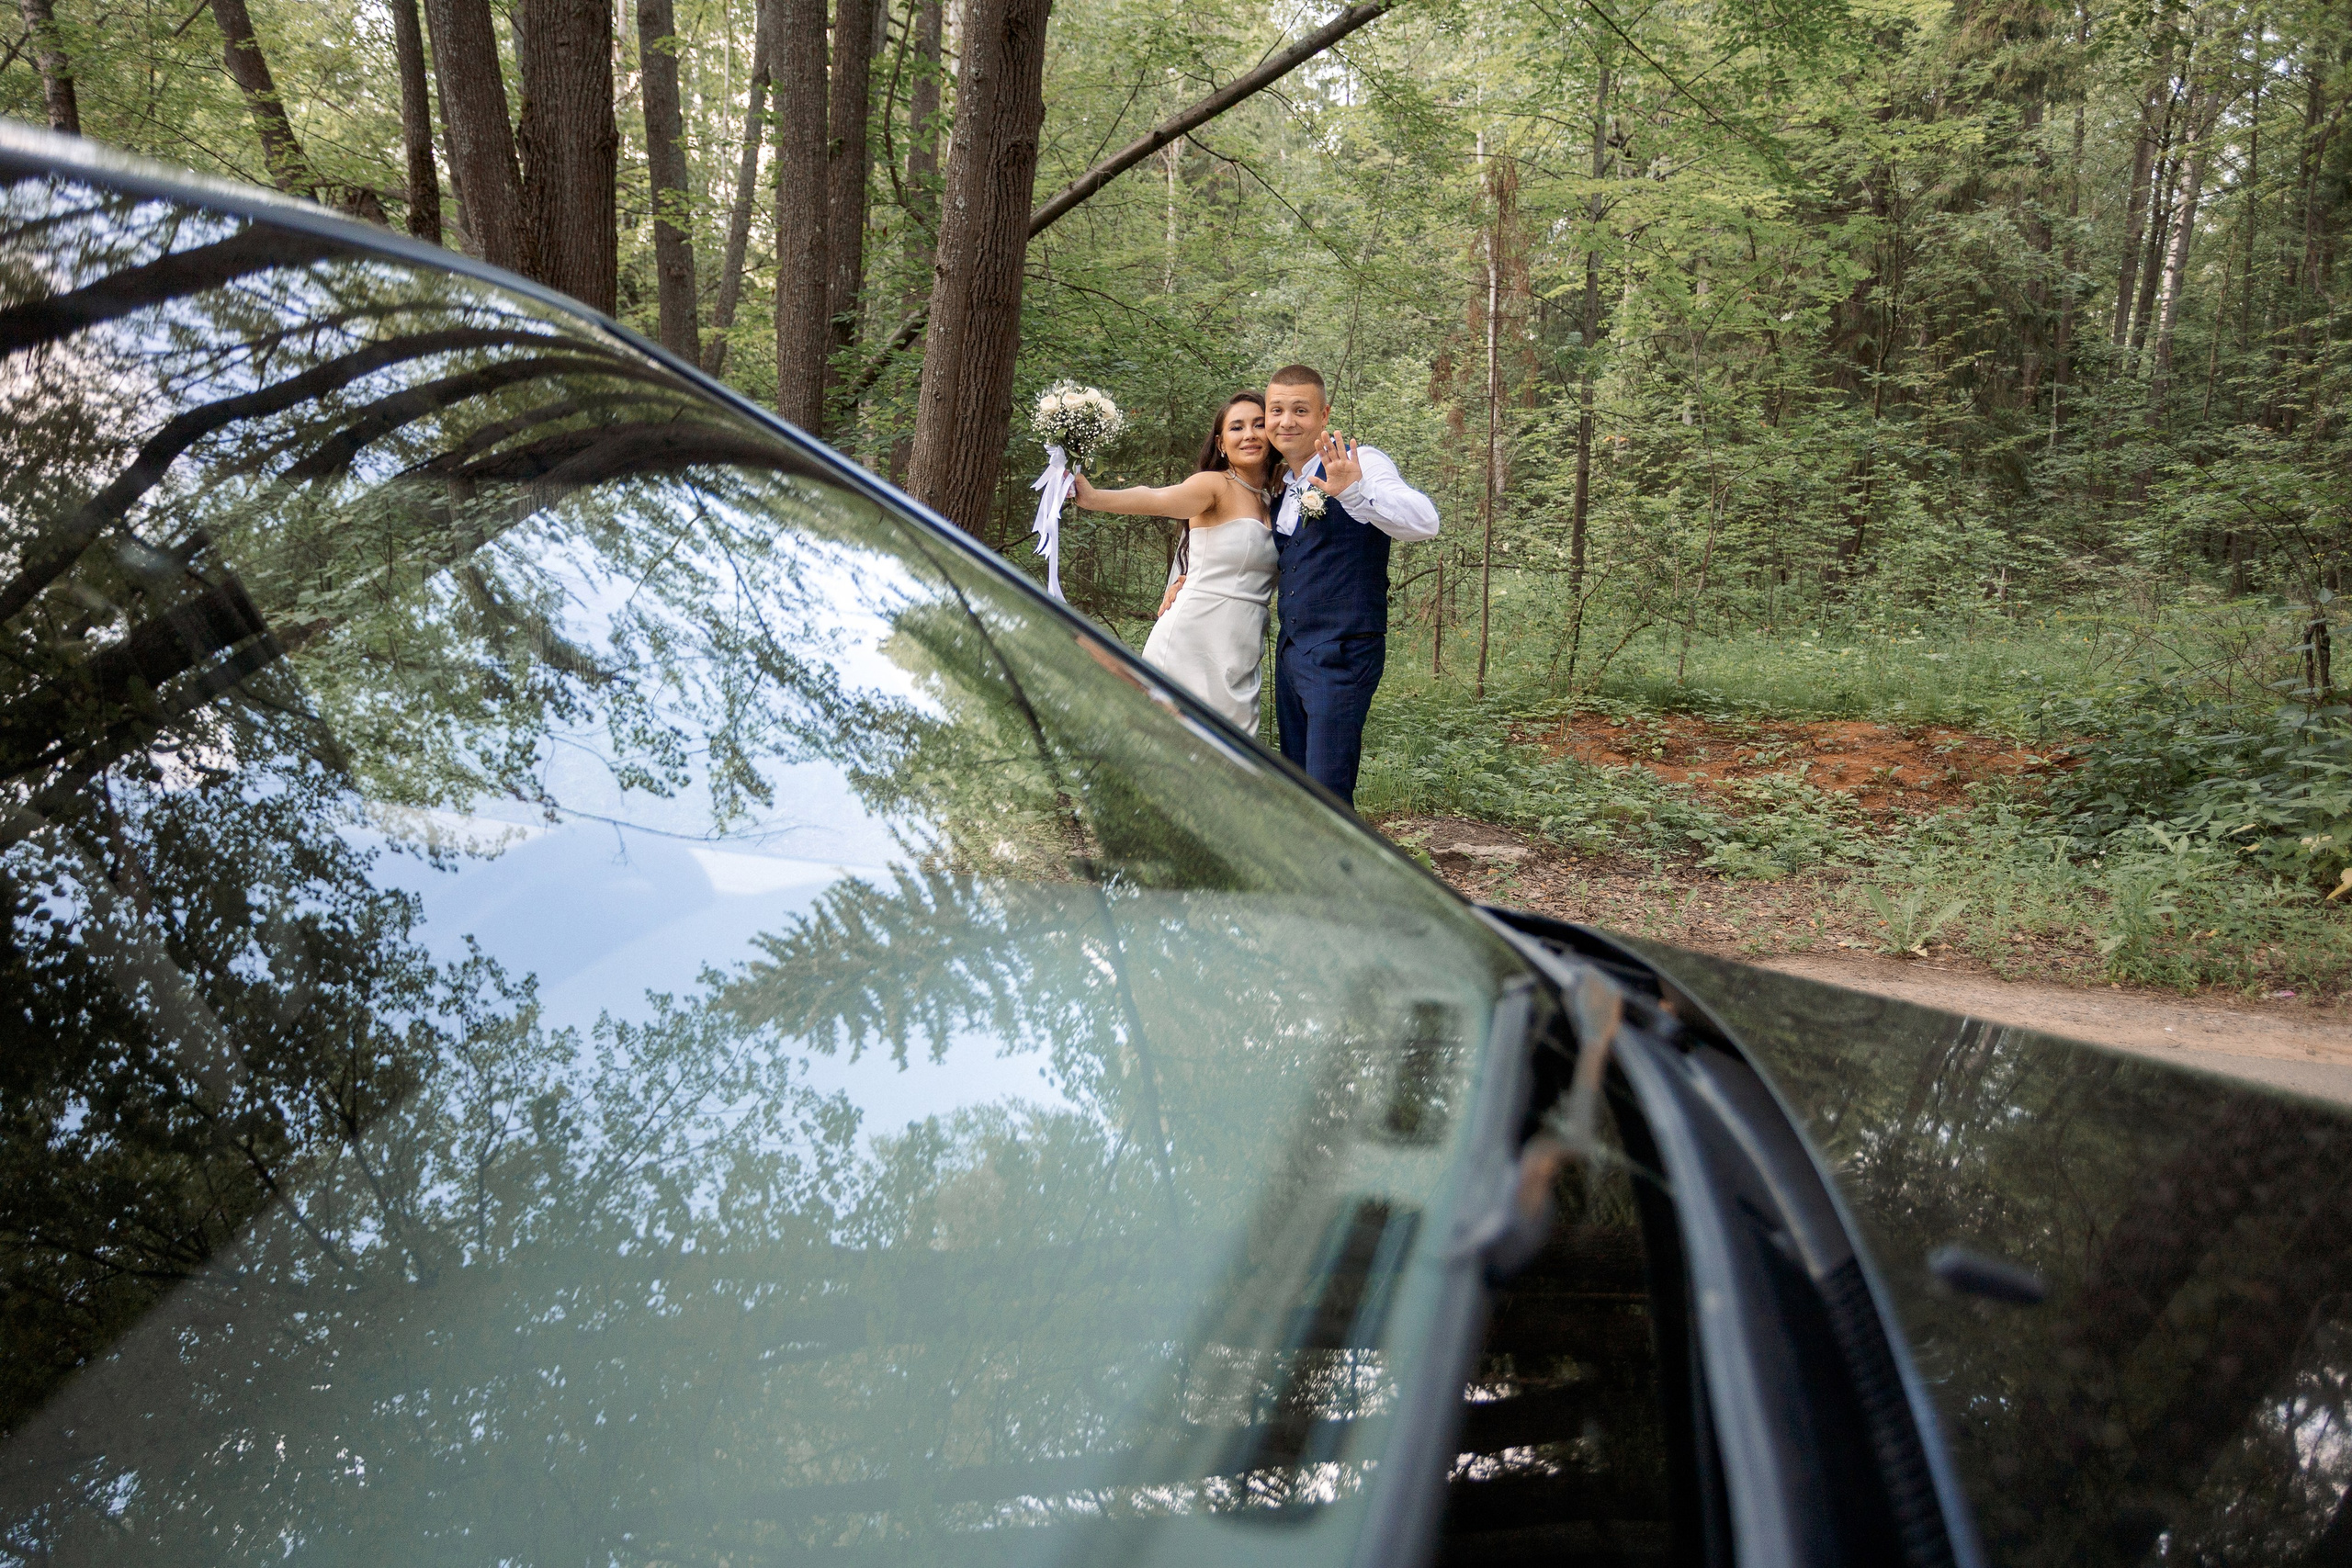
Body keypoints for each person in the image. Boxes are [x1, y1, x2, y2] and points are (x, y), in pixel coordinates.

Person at [1262, 364, 1439, 807]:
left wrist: (1354, 494)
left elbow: (1424, 521)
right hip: (1292, 653)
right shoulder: (1281, 485)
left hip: (1343, 650)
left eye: (1300, 410)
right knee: (1298, 784)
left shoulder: (1362, 462)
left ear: (1324, 415)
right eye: (1277, 410)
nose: (1287, 421)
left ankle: (1337, 874)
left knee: (1328, 790)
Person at [1070, 392, 1276, 730]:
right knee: (1175, 742)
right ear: (1221, 443)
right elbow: (1158, 498)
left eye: (1259, 424)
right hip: (1194, 637)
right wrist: (1094, 498)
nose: (1250, 434)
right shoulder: (1214, 485)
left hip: (1241, 646)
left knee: (1232, 757)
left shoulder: (1275, 497)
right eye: (1237, 427)